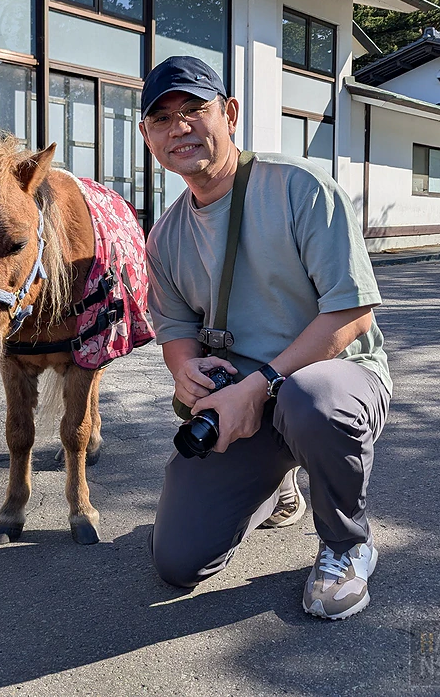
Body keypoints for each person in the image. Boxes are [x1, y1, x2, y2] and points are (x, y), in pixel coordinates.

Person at [140, 55, 392, 621]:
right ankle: (279, 484)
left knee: (311, 403)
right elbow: (176, 330)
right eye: (161, 118)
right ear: (147, 135)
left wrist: (262, 383)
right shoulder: (164, 237)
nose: (179, 127)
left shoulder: (299, 187)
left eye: (194, 110)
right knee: (176, 562)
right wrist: (185, 369)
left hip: (331, 377)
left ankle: (347, 545)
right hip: (242, 401)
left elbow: (353, 313)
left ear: (229, 114)